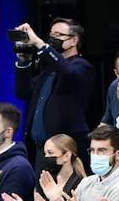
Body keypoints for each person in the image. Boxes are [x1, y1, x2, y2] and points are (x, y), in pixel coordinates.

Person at [13, 18, 96, 159]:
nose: (52, 39)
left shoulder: (82, 66)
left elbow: (67, 72)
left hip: (66, 152)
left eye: (58, 35)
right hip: (40, 151)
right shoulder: (48, 71)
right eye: (51, 35)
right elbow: (23, 92)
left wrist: (40, 44)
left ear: (74, 41)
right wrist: (24, 61)